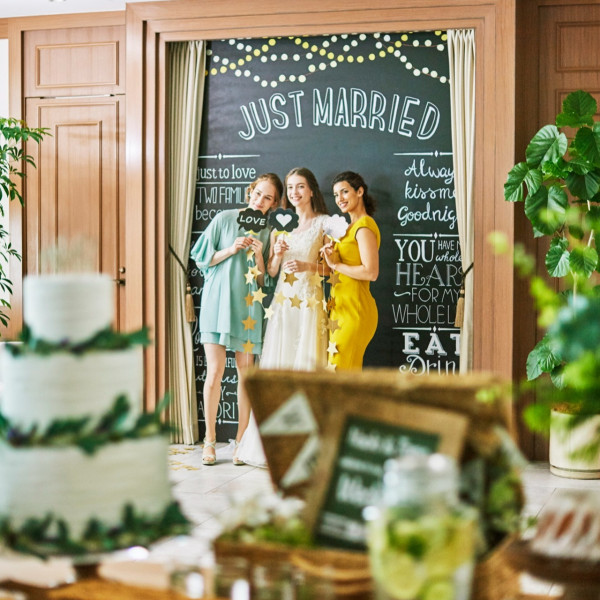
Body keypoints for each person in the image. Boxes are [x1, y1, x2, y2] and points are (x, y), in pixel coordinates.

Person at [236, 167, 329, 467]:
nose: (295, 193)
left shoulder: (323, 224)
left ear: (311, 190)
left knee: (306, 368)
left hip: (309, 304)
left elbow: (332, 269)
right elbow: (272, 271)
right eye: (290, 188)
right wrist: (276, 252)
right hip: (283, 304)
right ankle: (273, 446)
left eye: (300, 186)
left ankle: (306, 447)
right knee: (278, 367)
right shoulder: (280, 224)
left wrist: (308, 267)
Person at [191, 173, 283, 465]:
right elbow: (202, 258)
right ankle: (209, 441)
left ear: (274, 203)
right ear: (250, 191)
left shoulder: (270, 232)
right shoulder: (224, 218)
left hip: (248, 309)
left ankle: (241, 441)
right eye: (258, 193)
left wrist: (259, 255)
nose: (260, 200)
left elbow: (264, 282)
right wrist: (231, 249)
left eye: (267, 198)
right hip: (217, 304)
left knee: (246, 375)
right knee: (215, 372)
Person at [320, 171, 380, 370]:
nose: (339, 199)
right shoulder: (346, 228)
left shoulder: (364, 226)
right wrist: (331, 257)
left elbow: (371, 272)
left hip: (355, 310)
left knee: (339, 373)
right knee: (341, 373)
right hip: (339, 311)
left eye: (344, 192)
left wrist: (336, 265)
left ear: (359, 191)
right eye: (336, 195)